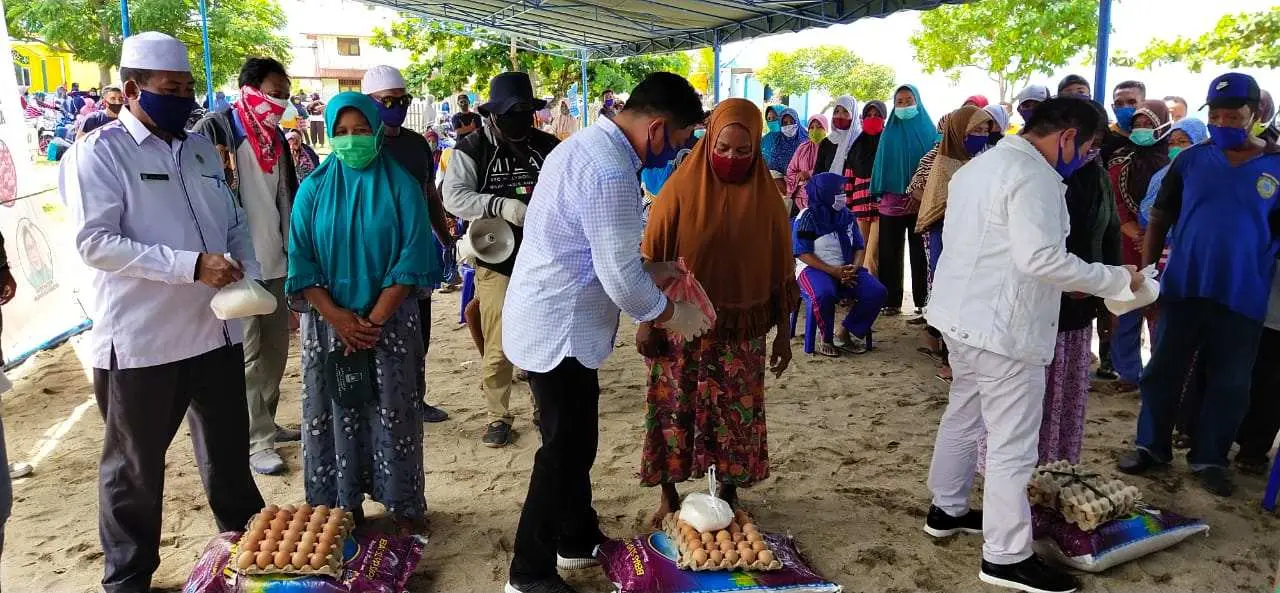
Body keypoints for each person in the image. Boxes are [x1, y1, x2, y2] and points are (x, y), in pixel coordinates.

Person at [60, 32, 266, 593]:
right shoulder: (100, 153)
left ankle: (250, 553)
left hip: (215, 332)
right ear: (132, 90)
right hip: (142, 341)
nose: (184, 99)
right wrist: (190, 265)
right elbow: (95, 242)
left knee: (228, 456)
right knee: (135, 469)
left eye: (188, 88)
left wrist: (245, 266)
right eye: (171, 90)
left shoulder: (199, 148)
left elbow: (232, 220)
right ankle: (128, 578)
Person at [501, 71, 709, 593]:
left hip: (554, 314)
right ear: (657, 128)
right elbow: (618, 277)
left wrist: (657, 269)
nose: (677, 152)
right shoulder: (610, 169)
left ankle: (576, 537)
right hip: (561, 326)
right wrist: (671, 313)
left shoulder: (586, 145)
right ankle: (528, 572)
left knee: (577, 441)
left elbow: (596, 248)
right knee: (563, 450)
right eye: (680, 139)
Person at [924, 96, 1140, 593]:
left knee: (964, 414)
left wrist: (1086, 279)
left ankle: (947, 509)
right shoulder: (1034, 177)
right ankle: (1005, 557)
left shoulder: (980, 166)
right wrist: (1114, 278)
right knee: (1012, 444)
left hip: (961, 316)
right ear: (1068, 137)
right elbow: (1041, 258)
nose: (1086, 159)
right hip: (1003, 329)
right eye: (1089, 149)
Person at [1118, 73, 1280, 497]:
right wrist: (1148, 274)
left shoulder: (1276, 166)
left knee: (1230, 383)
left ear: (1255, 114)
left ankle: (1210, 458)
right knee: (1162, 371)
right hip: (1183, 287)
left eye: (1234, 116)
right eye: (1216, 116)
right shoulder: (1190, 161)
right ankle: (1150, 447)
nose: (1223, 123)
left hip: (1243, 296)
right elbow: (1159, 217)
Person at [287, 92, 441, 534]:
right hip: (328, 327)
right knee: (334, 411)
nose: (351, 139)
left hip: (388, 325)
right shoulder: (313, 190)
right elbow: (301, 259)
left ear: (376, 133)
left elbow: (412, 256)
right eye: (341, 132)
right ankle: (343, 506)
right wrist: (337, 317)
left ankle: (404, 507)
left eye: (360, 131)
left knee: (394, 412)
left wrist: (372, 321)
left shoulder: (402, 187)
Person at [639, 97, 797, 527]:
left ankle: (729, 490)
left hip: (740, 332)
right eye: (722, 148)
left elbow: (782, 273)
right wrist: (647, 323)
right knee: (672, 409)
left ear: (756, 148)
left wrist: (784, 336)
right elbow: (651, 261)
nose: (731, 158)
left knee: (734, 414)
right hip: (679, 325)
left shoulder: (768, 201)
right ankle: (668, 496)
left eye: (743, 151)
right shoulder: (678, 190)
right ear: (708, 141)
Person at [191, 57, 301, 476]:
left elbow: (283, 199)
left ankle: (265, 421)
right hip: (236, 266)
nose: (280, 102)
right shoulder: (216, 131)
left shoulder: (275, 139)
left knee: (275, 352)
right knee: (250, 354)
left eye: (285, 95)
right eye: (273, 93)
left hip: (274, 260)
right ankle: (256, 442)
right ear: (249, 90)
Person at [442, 72, 559, 448]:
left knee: (546, 337)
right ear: (493, 113)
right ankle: (498, 415)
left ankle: (545, 406)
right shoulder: (472, 148)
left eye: (524, 112)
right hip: (497, 258)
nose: (519, 119)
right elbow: (453, 197)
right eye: (511, 113)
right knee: (498, 341)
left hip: (545, 257)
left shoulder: (548, 146)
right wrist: (500, 204)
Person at [362, 65, 457, 424]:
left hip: (416, 252)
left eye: (403, 100)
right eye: (388, 101)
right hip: (375, 257)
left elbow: (429, 193)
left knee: (419, 332)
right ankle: (378, 403)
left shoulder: (417, 144)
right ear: (370, 102)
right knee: (375, 329)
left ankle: (416, 398)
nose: (397, 107)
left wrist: (445, 238)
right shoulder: (360, 146)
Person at [1039, 99, 1123, 465]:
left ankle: (1058, 463)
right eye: (1087, 143)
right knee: (1031, 398)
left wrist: (1109, 294)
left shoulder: (1096, 176)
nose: (1089, 151)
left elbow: (1109, 234)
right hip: (1037, 306)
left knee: (1066, 389)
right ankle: (1027, 470)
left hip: (1079, 304)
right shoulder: (1037, 176)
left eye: (1096, 144)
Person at [913, 106, 995, 380]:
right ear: (959, 132)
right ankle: (950, 357)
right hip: (945, 237)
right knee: (949, 292)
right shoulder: (943, 163)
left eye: (985, 130)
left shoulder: (987, 161)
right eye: (975, 130)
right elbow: (936, 205)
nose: (981, 136)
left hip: (977, 240)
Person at [1105, 100, 1170, 392]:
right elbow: (1115, 202)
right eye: (1138, 125)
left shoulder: (1177, 163)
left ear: (1163, 125)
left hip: (1166, 248)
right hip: (1129, 245)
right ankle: (1128, 373)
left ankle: (1160, 374)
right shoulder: (1120, 161)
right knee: (1126, 308)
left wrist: (1156, 236)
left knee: (1159, 314)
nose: (1142, 130)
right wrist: (1136, 233)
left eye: (1148, 124)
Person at [795, 172, 886, 356]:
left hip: (846, 268)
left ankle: (844, 332)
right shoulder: (807, 217)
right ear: (824, 193)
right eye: (839, 191)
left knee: (877, 292)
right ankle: (826, 338)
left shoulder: (847, 215)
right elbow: (803, 252)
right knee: (823, 294)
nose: (843, 195)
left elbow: (859, 247)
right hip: (814, 269)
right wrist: (833, 271)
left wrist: (854, 268)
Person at [871, 85, 933, 317]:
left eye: (909, 101)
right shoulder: (889, 133)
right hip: (892, 203)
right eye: (900, 102)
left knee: (921, 253)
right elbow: (881, 166)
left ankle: (923, 300)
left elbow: (934, 168)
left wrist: (920, 194)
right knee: (889, 252)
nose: (904, 105)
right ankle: (891, 301)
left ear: (918, 101)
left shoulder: (929, 131)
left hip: (921, 203)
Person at [846, 101, 886, 275]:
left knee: (872, 255)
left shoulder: (888, 144)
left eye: (877, 115)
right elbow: (848, 179)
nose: (872, 118)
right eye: (868, 115)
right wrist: (847, 207)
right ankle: (858, 287)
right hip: (859, 209)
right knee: (858, 253)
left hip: (881, 208)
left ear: (884, 118)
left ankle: (871, 288)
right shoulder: (857, 146)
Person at [783, 114, 827, 210]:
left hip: (822, 200)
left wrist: (809, 174)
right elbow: (791, 170)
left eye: (819, 127)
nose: (815, 130)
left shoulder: (831, 148)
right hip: (800, 200)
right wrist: (799, 178)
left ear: (826, 128)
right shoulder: (802, 148)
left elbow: (831, 170)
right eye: (811, 127)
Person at [762, 107, 807, 192]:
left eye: (792, 122)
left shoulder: (807, 142)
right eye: (785, 123)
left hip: (804, 190)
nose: (788, 125)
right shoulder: (778, 143)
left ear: (797, 121)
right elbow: (773, 168)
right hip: (782, 190)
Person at [1102, 80, 1147, 162]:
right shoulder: (1104, 137)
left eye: (1132, 102)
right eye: (1119, 104)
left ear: (1144, 104)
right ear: (1113, 108)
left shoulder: (1152, 137)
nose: (1125, 107)